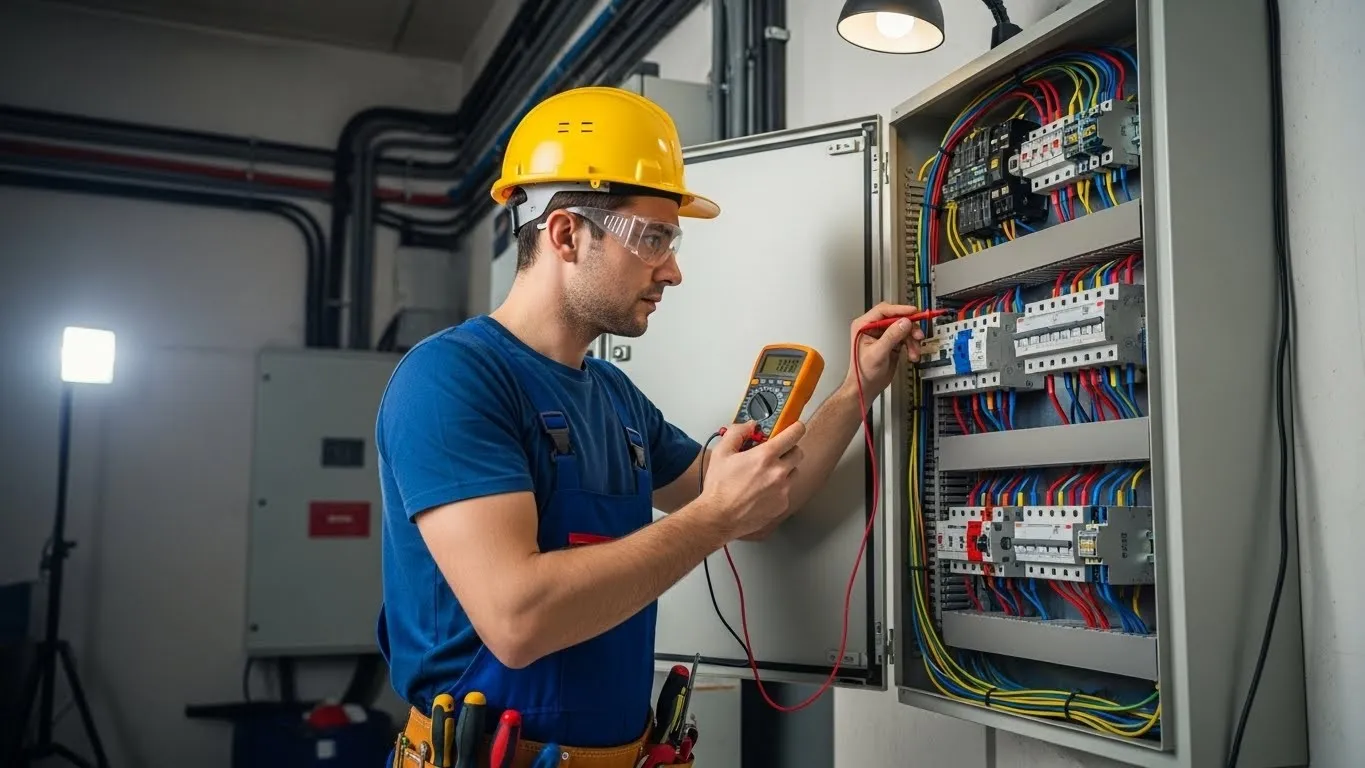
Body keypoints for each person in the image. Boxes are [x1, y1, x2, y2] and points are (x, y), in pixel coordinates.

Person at [374, 86, 925, 767]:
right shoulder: (451, 380)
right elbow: (518, 620)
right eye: (652, 239)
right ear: (565, 234)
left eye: (672, 240)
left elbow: (754, 506)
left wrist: (857, 386)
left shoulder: (614, 397)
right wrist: (714, 518)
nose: (673, 270)